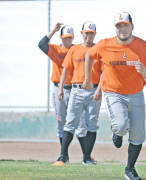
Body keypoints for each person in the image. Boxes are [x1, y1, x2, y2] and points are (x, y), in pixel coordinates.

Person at [84, 12, 146, 180]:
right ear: (115, 28)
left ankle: (129, 169)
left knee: (139, 135)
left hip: (136, 93)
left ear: (132, 26)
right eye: (119, 26)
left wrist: (145, 71)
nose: (122, 29)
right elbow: (89, 55)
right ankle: (117, 131)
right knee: (122, 125)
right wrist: (88, 79)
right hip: (113, 92)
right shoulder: (104, 45)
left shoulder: (142, 46)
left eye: (125, 25)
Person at [38, 23, 90, 162]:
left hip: (74, 89)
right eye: (65, 37)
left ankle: (86, 155)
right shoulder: (55, 49)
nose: (68, 40)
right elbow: (42, 44)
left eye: (70, 38)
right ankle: (64, 155)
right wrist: (54, 30)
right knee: (61, 123)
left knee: (80, 123)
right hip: (58, 89)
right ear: (61, 37)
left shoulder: (76, 50)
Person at [53, 21, 102, 166]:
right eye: (86, 33)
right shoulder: (74, 50)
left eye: (91, 33)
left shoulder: (99, 49)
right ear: (82, 34)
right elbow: (66, 70)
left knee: (91, 124)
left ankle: (87, 158)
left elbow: (105, 72)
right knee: (70, 123)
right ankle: (63, 157)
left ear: (95, 34)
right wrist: (61, 88)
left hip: (94, 91)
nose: (89, 36)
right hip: (76, 90)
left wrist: (100, 89)